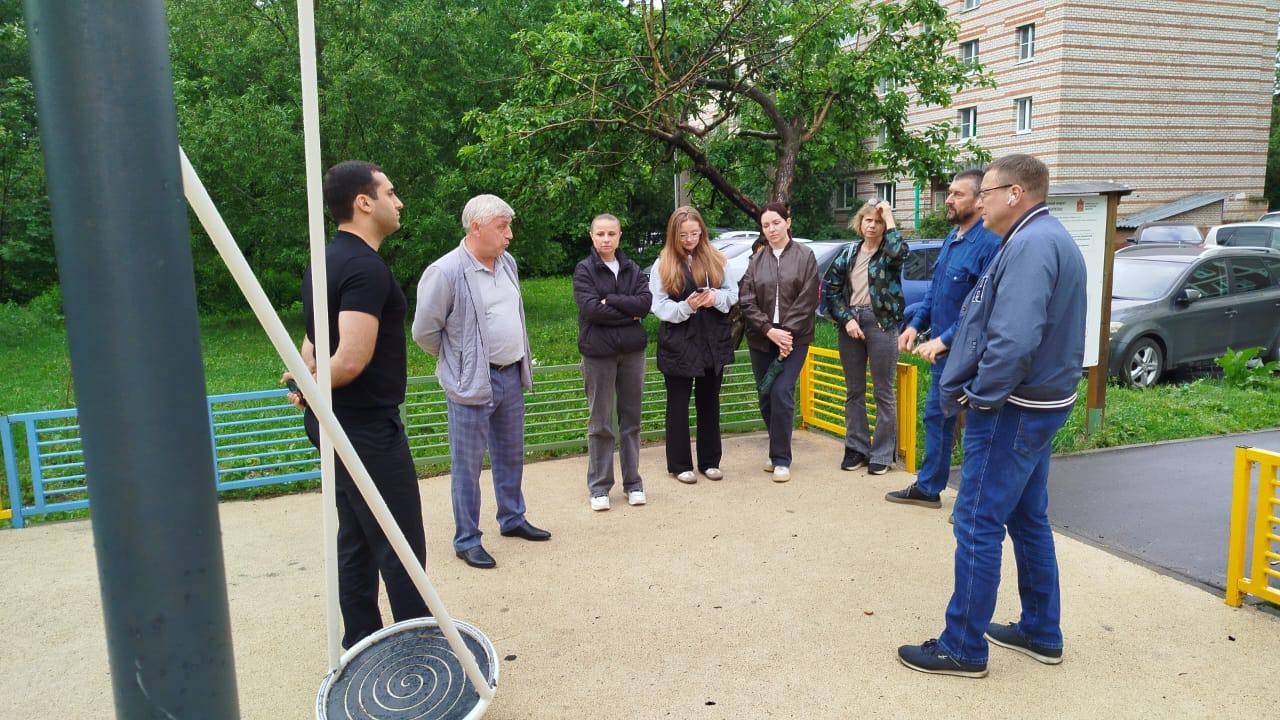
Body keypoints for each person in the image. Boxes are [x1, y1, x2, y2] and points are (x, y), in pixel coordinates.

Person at [897, 154, 1087, 678]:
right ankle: (1040, 631)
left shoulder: (1030, 245)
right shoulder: (1043, 238)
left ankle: (962, 647)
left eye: (987, 192)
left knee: (977, 520)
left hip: (1012, 408)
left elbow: (1014, 339)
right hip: (1036, 403)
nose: (980, 202)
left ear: (1015, 194)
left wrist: (980, 398)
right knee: (1027, 517)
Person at [283, 160, 428, 649]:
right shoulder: (365, 267)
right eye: (390, 192)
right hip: (364, 427)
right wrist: (313, 385)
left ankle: (360, 639)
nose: (398, 202)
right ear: (364, 202)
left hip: (332, 421)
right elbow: (349, 359)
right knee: (400, 542)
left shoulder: (324, 261)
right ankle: (417, 653)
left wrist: (307, 383)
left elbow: (312, 342)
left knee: (357, 539)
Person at [411, 194, 551, 570]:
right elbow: (424, 332)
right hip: (472, 382)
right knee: (467, 465)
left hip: (511, 374)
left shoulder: (507, 263)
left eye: (509, 227)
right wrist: (458, 361)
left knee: (510, 454)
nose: (509, 235)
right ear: (476, 227)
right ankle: (467, 539)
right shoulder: (445, 272)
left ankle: (513, 518)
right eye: (502, 227)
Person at [886, 169, 1001, 508]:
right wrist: (914, 325)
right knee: (937, 418)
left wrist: (946, 339)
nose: (948, 200)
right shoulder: (953, 237)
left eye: (957, 194)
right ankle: (929, 487)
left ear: (979, 201)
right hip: (943, 354)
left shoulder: (990, 244)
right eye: (949, 193)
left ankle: (973, 503)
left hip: (974, 356)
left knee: (977, 428)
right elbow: (936, 291)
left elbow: (982, 308)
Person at [650, 206, 737, 485]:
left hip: (712, 341)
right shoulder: (662, 263)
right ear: (673, 235)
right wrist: (686, 307)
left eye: (695, 234)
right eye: (683, 235)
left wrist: (715, 298)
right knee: (678, 404)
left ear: (702, 232)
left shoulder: (717, 259)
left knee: (709, 402)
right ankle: (679, 465)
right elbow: (658, 306)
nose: (690, 240)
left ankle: (710, 461)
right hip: (678, 342)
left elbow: (732, 295)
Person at [572, 214, 652, 511]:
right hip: (598, 354)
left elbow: (645, 304)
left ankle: (633, 483)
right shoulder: (584, 270)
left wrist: (613, 300)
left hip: (632, 353)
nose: (606, 239)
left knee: (631, 421)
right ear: (592, 236)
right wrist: (628, 312)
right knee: (600, 422)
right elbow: (592, 310)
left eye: (611, 234)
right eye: (600, 234)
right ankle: (600, 487)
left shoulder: (632, 268)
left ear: (619, 236)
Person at [822, 200, 907, 475]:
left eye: (878, 221)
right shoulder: (848, 253)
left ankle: (882, 454)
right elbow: (831, 290)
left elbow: (899, 250)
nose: (872, 225)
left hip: (881, 323)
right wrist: (846, 319)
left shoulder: (889, 253)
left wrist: (889, 215)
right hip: (851, 323)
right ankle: (856, 448)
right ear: (859, 223)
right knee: (854, 390)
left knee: (883, 391)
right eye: (868, 220)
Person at [737, 202, 820, 482]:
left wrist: (786, 333)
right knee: (765, 393)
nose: (771, 229)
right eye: (765, 225)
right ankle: (776, 448)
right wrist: (768, 330)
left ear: (788, 222)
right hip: (762, 339)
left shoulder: (805, 256)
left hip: (795, 339)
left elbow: (808, 298)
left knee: (781, 391)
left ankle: (782, 459)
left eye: (776, 222)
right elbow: (746, 299)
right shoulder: (756, 260)